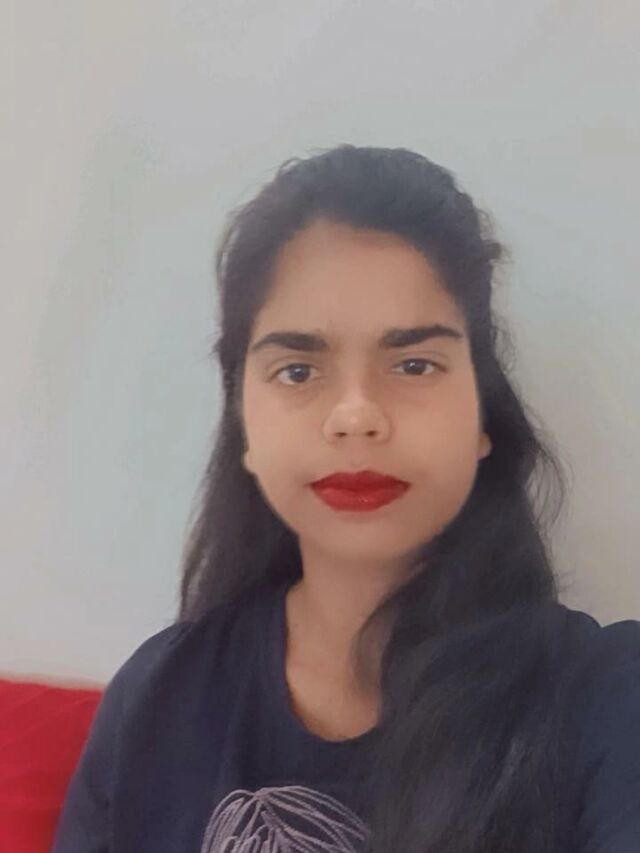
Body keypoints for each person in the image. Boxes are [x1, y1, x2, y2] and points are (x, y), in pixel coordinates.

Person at [51, 145, 640, 853]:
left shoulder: (606, 697)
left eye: (414, 363)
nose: (356, 415)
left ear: (483, 415)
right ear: (243, 425)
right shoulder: (155, 697)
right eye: (298, 370)